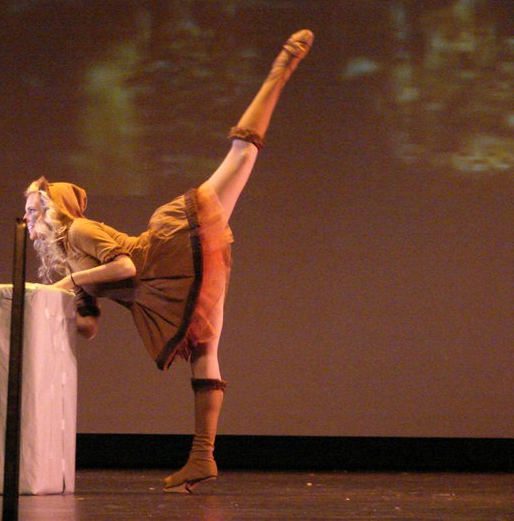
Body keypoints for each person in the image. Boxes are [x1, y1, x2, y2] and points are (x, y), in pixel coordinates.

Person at [23, 30, 314, 493]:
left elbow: (126, 269)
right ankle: (202, 457)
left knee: (240, 156)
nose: (29, 219)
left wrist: (71, 283)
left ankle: (279, 71)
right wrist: (56, 309)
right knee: (204, 354)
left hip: (171, 247)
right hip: (165, 286)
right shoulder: (70, 262)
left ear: (56, 210)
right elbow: (90, 325)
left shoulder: (79, 230)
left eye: (34, 210)